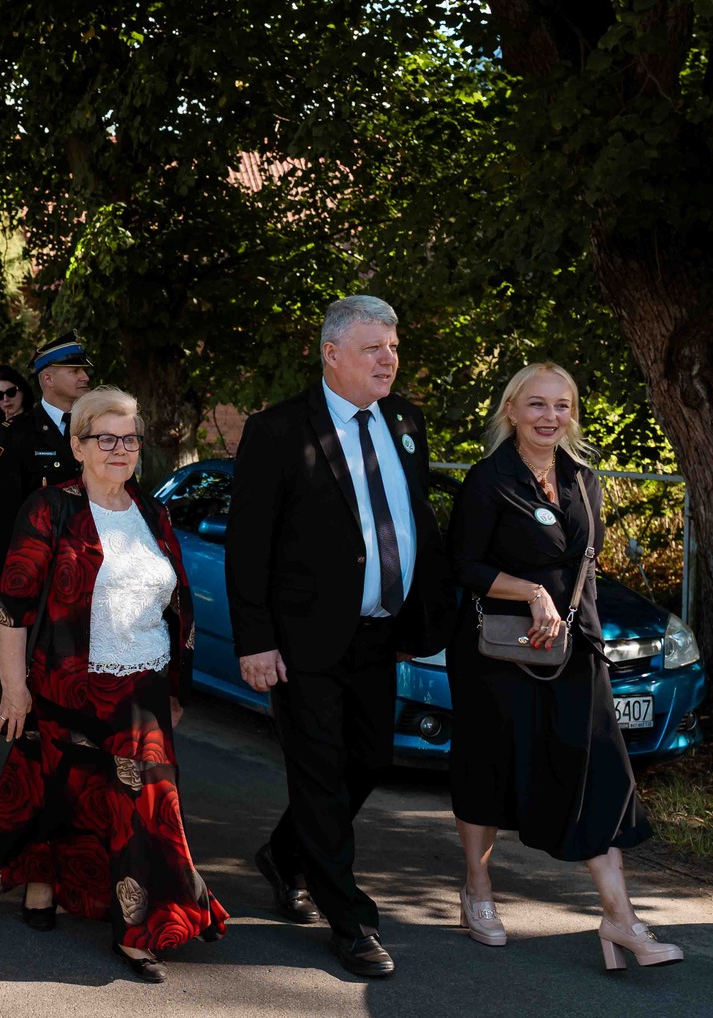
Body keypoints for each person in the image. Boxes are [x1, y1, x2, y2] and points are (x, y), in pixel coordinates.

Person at [225, 295, 452, 979]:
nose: (389, 359)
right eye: (373, 348)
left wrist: (420, 618)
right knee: (320, 772)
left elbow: (413, 520)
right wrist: (255, 640)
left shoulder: (405, 421)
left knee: (370, 759)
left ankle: (284, 853)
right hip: (302, 641)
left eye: (394, 346)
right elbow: (248, 545)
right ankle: (350, 920)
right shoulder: (277, 430)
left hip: (379, 634)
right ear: (331, 354)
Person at [0, 386, 226, 981]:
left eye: (129, 438)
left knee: (148, 806)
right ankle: (43, 882)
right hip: (66, 681)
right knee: (63, 787)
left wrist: (175, 689)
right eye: (105, 438)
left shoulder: (153, 513)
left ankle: (141, 931)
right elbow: (12, 606)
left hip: (142, 687)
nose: (120, 449)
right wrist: (14, 688)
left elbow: (177, 604)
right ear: (78, 445)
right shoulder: (50, 508)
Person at [446, 362, 679, 970]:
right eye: (537, 404)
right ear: (512, 411)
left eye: (562, 405)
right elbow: (463, 565)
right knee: (490, 767)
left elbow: (584, 570)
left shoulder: (582, 479)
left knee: (598, 770)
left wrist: (591, 643)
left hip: (573, 651)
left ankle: (620, 919)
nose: (550, 416)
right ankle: (477, 889)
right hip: (497, 653)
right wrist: (530, 592)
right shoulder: (488, 478)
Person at [0, 337, 89, 582]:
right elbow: (4, 512)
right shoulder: (16, 433)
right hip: (42, 566)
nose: (85, 377)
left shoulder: (96, 426)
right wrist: (8, 581)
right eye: (75, 371)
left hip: (92, 561)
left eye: (83, 370)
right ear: (48, 379)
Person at [0, 363, 34, 483]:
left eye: (11, 392)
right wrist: (7, 431)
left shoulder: (37, 419)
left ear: (22, 390)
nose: (5, 399)